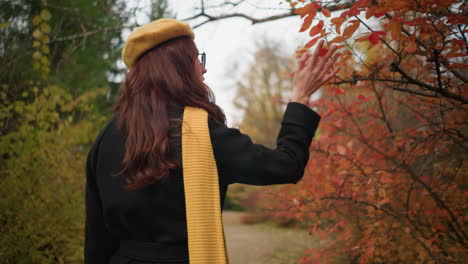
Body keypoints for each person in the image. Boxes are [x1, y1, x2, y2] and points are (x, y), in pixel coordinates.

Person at [84, 18, 340, 264]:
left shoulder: (106, 137)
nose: (204, 68)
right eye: (197, 58)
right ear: (178, 66)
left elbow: (96, 237)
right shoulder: (200, 132)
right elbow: (286, 164)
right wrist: (300, 99)